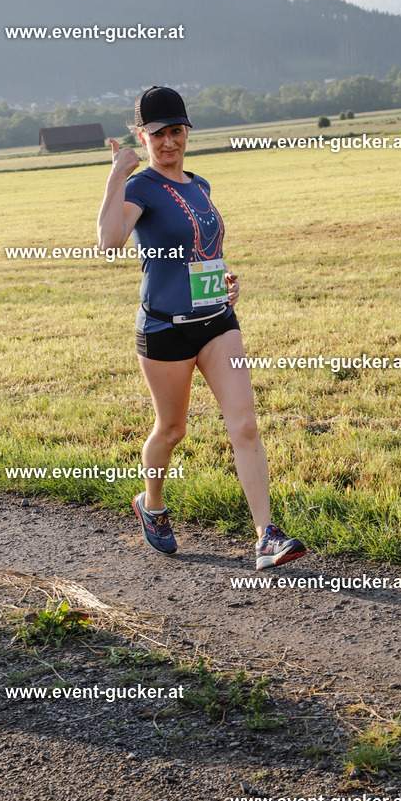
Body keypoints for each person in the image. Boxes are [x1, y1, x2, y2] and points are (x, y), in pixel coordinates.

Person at [97, 85, 306, 570]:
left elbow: (205, 252)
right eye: (157, 134)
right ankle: (151, 505)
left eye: (176, 131)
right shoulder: (139, 188)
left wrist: (227, 283)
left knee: (246, 425)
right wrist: (116, 173)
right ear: (141, 137)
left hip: (217, 322)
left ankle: (266, 537)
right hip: (165, 329)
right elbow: (109, 241)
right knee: (171, 430)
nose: (169, 142)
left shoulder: (201, 185)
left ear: (187, 130)